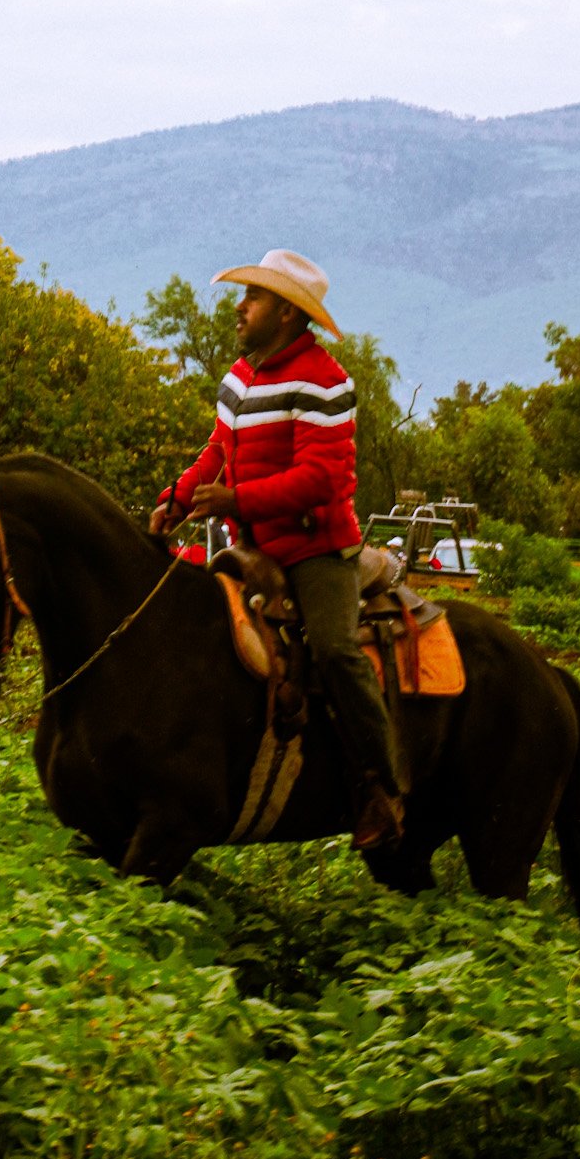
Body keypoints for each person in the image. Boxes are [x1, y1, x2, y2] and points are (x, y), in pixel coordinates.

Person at [150, 248, 406, 854]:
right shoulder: (240, 376)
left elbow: (324, 480)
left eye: (255, 298)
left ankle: (383, 785)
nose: (241, 307)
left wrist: (236, 501)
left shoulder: (326, 381)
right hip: (253, 547)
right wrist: (179, 498)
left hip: (315, 550)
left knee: (339, 652)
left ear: (289, 314)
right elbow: (217, 449)